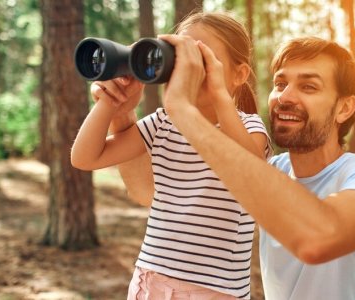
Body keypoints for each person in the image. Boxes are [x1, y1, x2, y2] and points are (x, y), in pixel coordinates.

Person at [152, 36, 355, 300]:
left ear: (344, 108)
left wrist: (183, 111)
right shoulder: (271, 171)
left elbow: (319, 238)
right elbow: (150, 192)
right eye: (280, 84)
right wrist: (121, 115)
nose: (285, 97)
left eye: (308, 87)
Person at [71, 12, 272, 300]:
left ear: (238, 74)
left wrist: (217, 93)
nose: (188, 69)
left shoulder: (250, 127)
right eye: (179, 58)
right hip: (149, 281)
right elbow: (86, 158)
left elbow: (250, 169)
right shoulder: (164, 122)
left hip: (214, 291)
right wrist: (111, 101)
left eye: (200, 59)